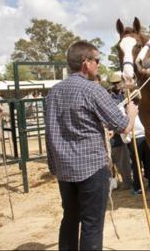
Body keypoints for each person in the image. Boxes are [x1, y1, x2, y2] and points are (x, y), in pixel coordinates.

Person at [45, 41, 138, 250]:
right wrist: (131, 114)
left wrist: (54, 166)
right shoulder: (92, 90)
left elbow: (50, 132)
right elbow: (123, 126)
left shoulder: (54, 92)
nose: (98, 64)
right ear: (86, 63)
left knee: (69, 219)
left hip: (64, 170)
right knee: (92, 225)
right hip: (91, 169)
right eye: (96, 60)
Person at [108, 72, 133, 190]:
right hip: (117, 135)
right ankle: (126, 183)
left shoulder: (125, 95)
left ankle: (131, 181)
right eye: (115, 83)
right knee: (121, 162)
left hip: (130, 131)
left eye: (119, 83)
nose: (118, 85)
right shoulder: (109, 99)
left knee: (127, 160)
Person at [121, 112, 150, 194]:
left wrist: (127, 140)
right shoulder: (124, 111)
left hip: (140, 138)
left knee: (143, 163)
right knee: (140, 164)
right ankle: (144, 185)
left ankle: (142, 186)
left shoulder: (136, 110)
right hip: (138, 138)